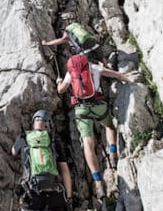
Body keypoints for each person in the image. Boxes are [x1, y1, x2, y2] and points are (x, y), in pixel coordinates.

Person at [56, 54, 132, 199]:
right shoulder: (94, 68)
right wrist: (129, 80)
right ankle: (113, 153)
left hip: (81, 109)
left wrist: (59, 82)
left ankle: (98, 182)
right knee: (109, 127)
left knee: (87, 144)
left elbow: (61, 90)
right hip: (98, 105)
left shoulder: (70, 73)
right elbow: (116, 75)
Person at [12, 110, 73, 211]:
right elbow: (65, 171)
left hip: (31, 193)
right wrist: (68, 198)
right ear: (48, 125)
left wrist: (20, 141)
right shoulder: (54, 141)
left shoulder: (25, 138)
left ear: (33, 124)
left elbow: (13, 152)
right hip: (54, 195)